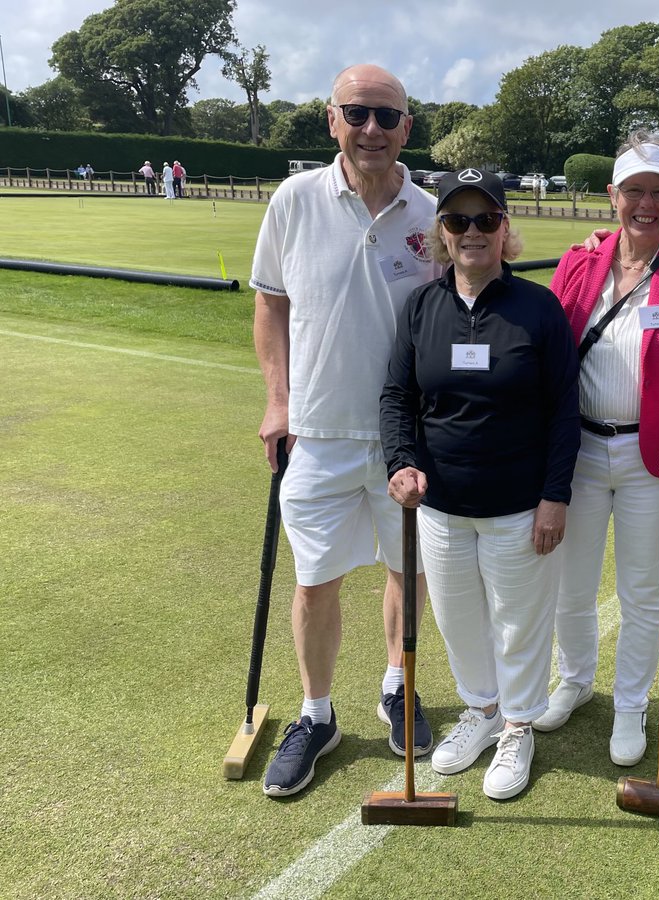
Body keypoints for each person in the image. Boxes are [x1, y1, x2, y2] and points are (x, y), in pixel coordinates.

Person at [250, 63, 439, 798]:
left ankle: (397, 686)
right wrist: (278, 401)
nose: (370, 130)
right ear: (332, 119)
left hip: (405, 439)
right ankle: (317, 714)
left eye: (386, 117)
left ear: (406, 129)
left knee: (406, 570)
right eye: (356, 114)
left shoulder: (432, 214)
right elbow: (270, 304)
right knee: (314, 581)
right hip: (319, 432)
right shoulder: (295, 200)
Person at [380, 168, 580, 801]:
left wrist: (555, 496)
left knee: (520, 623)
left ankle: (518, 724)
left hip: (520, 506)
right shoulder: (421, 306)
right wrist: (400, 462)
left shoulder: (538, 308)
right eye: (458, 220)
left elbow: (563, 411)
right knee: (459, 619)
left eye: (486, 219)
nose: (472, 232)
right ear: (441, 231)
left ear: (505, 229)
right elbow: (396, 396)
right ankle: (483, 710)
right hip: (440, 506)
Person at [534, 132, 659, 767]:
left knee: (644, 593)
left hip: (652, 460)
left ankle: (631, 703)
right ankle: (575, 680)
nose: (647, 204)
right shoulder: (578, 263)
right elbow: (549, 353)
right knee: (571, 582)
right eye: (634, 191)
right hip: (580, 454)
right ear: (612, 195)